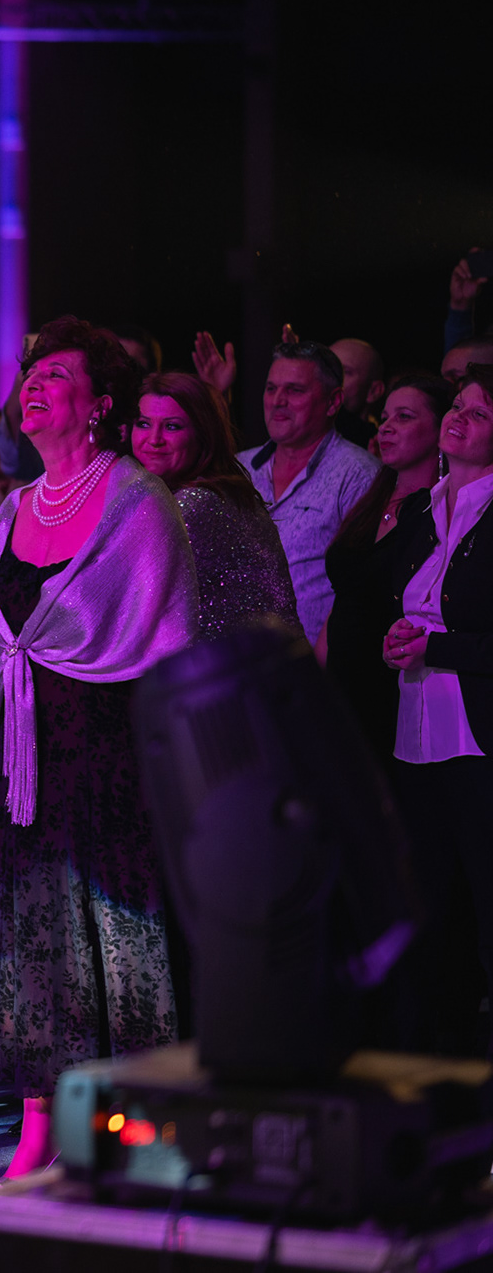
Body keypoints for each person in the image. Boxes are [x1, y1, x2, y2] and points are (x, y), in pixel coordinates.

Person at [0, 317, 197, 1180]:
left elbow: (174, 650)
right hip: (26, 765)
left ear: (100, 403)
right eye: (29, 375)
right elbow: (5, 651)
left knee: (115, 947)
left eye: (55, 375)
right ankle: (37, 1131)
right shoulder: (16, 508)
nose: (32, 386)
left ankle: (130, 1131)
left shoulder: (139, 501)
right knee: (32, 948)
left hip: (113, 756)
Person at [384, 366, 493, 1057]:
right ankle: (433, 1066)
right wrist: (397, 638)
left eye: (480, 413)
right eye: (457, 405)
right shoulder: (423, 510)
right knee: (428, 909)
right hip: (415, 734)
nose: (459, 417)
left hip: (477, 738)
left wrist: (438, 646)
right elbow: (412, 607)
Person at [322, 375, 448, 759]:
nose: (387, 427)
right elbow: (343, 600)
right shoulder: (373, 498)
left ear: (441, 429)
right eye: (386, 416)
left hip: (394, 688)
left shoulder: (441, 511)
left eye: (404, 417)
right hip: (341, 684)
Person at [133, 372, 298, 641]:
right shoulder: (192, 491)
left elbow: (123, 597)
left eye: (172, 427)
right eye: (143, 423)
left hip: (247, 665)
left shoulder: (197, 504)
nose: (154, 439)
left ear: (203, 435)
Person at [238, 340, 381, 646]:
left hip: (313, 663)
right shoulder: (239, 469)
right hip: (238, 660)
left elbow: (363, 591)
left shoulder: (358, 474)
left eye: (294, 390)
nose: (278, 400)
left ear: (333, 402)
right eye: (271, 388)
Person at [331, 338, 387, 446]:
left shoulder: (375, 447)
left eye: (345, 372)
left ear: (374, 391)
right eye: (326, 368)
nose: (330, 377)